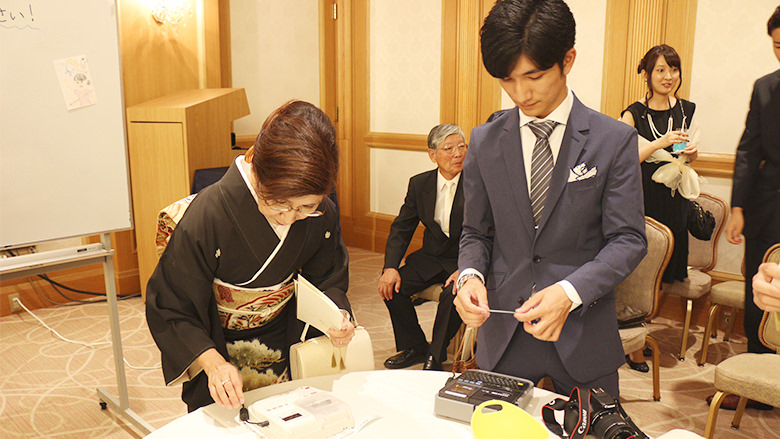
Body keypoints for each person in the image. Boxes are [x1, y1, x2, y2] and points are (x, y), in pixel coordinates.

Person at [454, 0, 647, 398]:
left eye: (534, 76)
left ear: (568, 59)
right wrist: (470, 277)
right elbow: (475, 231)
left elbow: (628, 240)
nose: (520, 93)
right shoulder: (484, 142)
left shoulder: (613, 140)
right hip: (504, 330)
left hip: (583, 330)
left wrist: (569, 292)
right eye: (506, 80)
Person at [146, 100, 356, 412]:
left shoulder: (321, 214)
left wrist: (337, 312)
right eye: (278, 203)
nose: (288, 217)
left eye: (305, 207)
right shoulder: (207, 216)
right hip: (219, 346)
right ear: (256, 165)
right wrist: (213, 364)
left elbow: (328, 276)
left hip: (288, 337)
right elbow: (173, 307)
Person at [619, 44, 700, 372]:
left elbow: (687, 154)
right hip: (642, 201)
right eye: (661, 70)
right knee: (639, 273)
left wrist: (692, 154)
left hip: (675, 200)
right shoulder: (633, 113)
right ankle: (634, 347)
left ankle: (640, 334)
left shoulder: (687, 109)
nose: (669, 77)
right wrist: (659, 143)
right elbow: (621, 158)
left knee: (666, 273)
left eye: (674, 69)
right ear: (646, 75)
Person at [716, 6, 780, 411]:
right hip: (767, 204)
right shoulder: (765, 88)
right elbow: (747, 149)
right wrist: (738, 206)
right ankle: (758, 383)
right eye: (778, 46)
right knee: (760, 289)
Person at [379, 124, 466, 371]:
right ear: (432, 154)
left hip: (462, 260)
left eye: (461, 147)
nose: (457, 154)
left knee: (452, 295)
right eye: (448, 148)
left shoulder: (478, 183)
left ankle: (435, 357)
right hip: (430, 257)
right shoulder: (419, 184)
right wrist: (390, 267)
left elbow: (489, 233)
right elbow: (402, 227)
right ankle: (416, 347)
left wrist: (469, 268)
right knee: (391, 287)